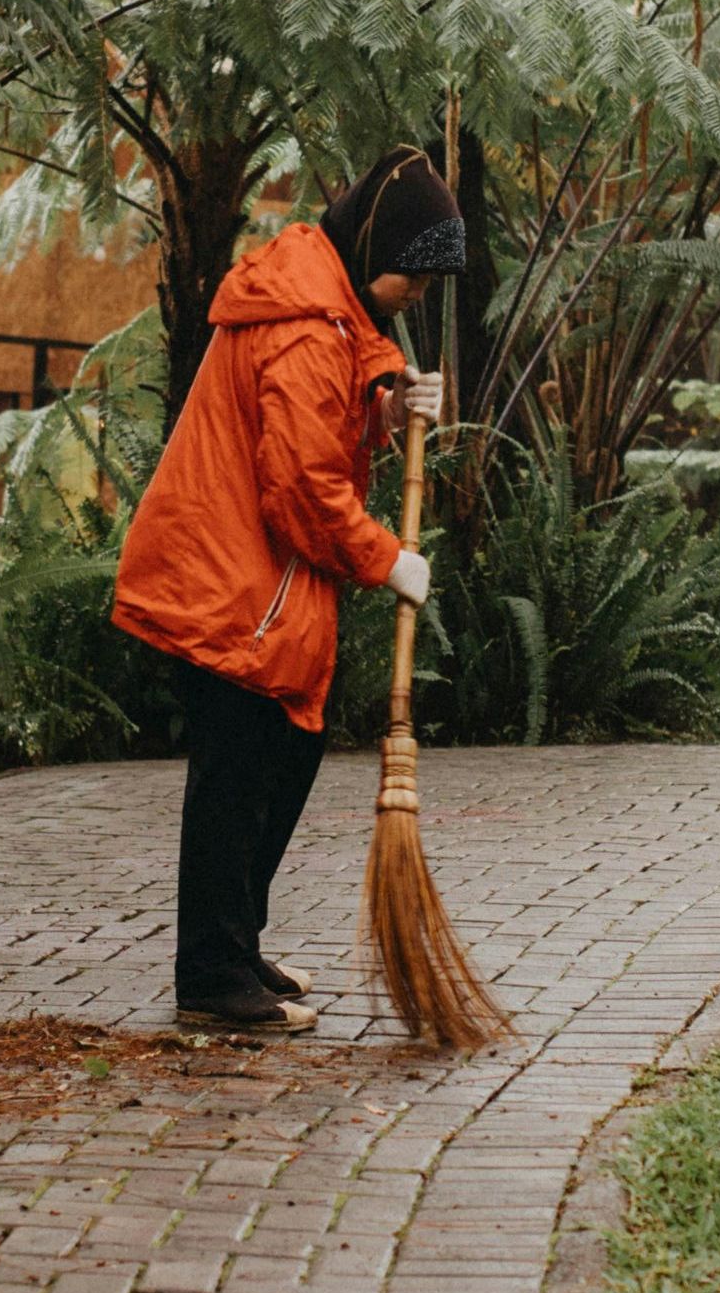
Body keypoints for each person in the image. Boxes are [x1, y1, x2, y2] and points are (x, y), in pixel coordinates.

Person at [112, 147, 467, 1031]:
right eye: (412, 278)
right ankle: (211, 979)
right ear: (375, 245)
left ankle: (235, 945)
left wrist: (386, 410)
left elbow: (333, 411)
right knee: (237, 778)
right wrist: (387, 558)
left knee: (282, 760)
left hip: (258, 581)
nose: (416, 296)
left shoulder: (330, 308)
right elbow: (303, 488)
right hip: (234, 582)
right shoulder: (307, 328)